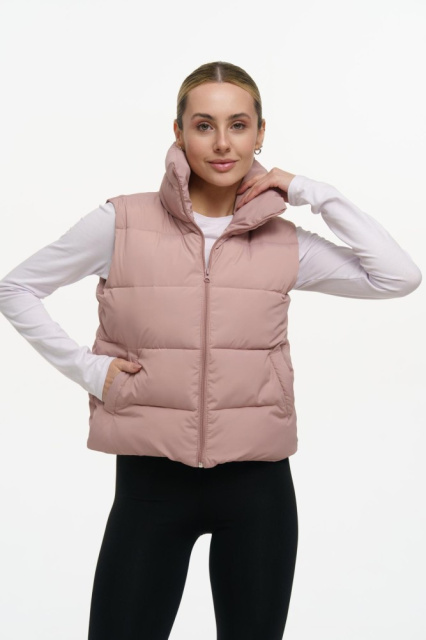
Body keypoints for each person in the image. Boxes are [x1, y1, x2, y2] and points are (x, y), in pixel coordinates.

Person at [0, 60, 422, 640]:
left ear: (260, 133)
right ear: (178, 132)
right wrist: (90, 372)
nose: (223, 143)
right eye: (204, 125)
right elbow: (16, 288)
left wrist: (308, 190)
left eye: (238, 125)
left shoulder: (284, 242)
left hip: (258, 492)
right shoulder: (122, 223)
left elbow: (397, 276)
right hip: (151, 487)